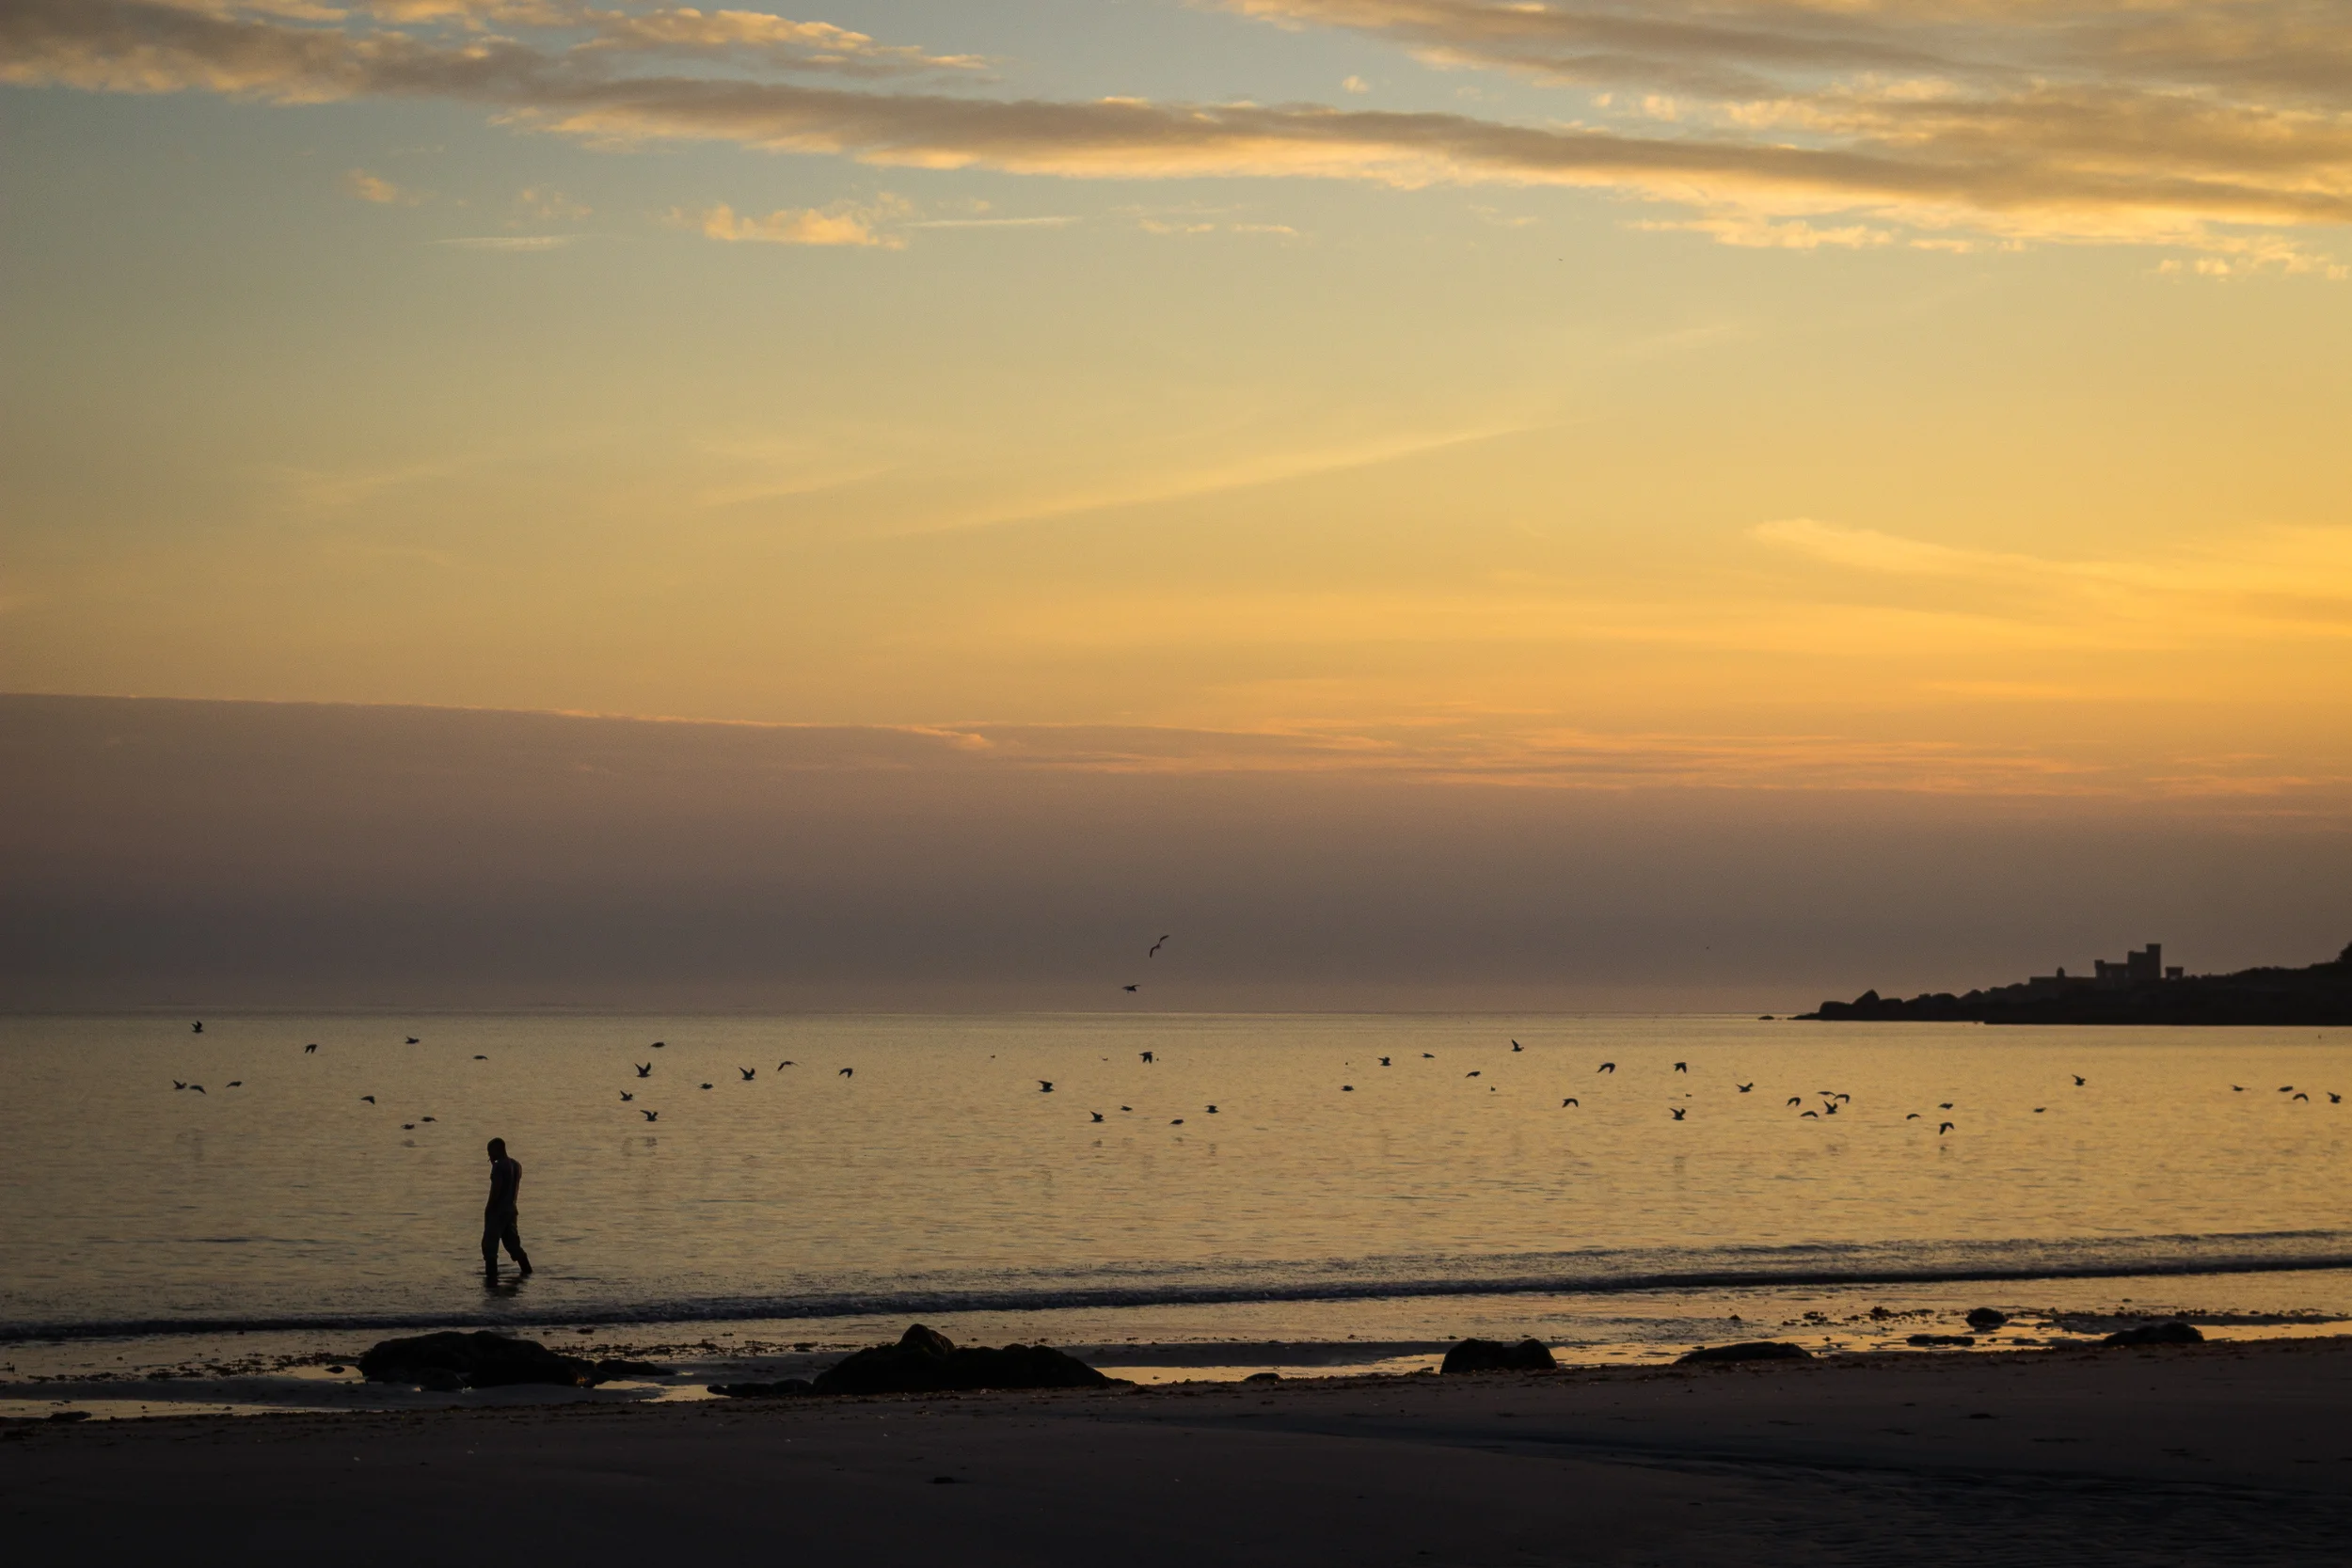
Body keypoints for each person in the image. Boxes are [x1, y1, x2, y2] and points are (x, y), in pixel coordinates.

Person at [482, 1137, 532, 1280]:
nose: (489, 1156)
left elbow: (496, 1189)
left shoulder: (499, 1167)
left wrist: (489, 1208)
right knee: (514, 1246)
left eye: (490, 1152)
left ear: (498, 1150)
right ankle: (527, 1272)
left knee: (489, 1247)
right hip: (511, 1211)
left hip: (498, 1211)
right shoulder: (517, 1165)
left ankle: (491, 1281)